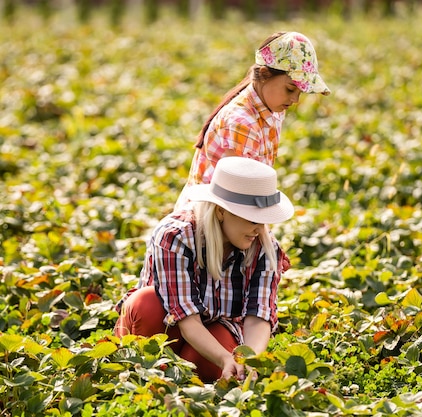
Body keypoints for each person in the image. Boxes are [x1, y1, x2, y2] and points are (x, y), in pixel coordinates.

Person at [114, 157, 295, 382]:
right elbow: (186, 318)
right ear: (220, 211)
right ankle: (142, 372)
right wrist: (223, 357)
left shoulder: (265, 248)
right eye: (252, 219)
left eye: (264, 220)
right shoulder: (176, 236)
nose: (259, 229)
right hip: (167, 322)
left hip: (217, 328)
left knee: (210, 363)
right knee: (146, 304)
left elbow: (258, 316)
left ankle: (191, 377)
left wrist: (247, 360)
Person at [175, 31, 330, 209]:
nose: (295, 100)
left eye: (300, 92)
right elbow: (237, 196)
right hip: (210, 218)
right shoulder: (241, 122)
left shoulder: (273, 108)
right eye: (290, 89)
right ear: (264, 74)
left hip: (242, 215)